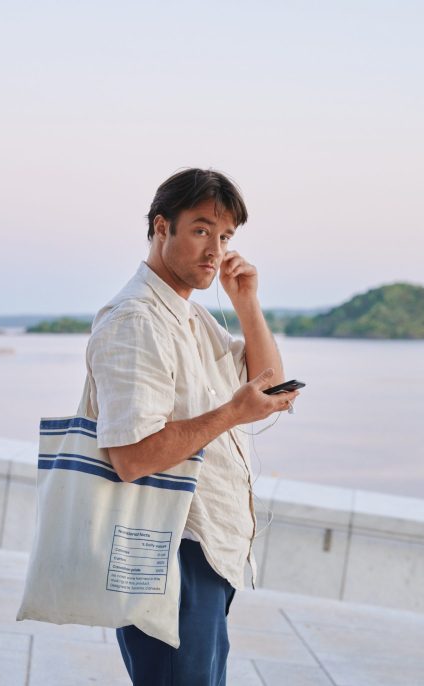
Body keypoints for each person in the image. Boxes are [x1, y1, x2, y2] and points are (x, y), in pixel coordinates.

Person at [85, 168, 299, 685]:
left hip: (203, 550)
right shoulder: (136, 320)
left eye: (225, 237)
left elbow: (269, 384)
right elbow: (131, 457)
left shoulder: (190, 316)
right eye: (202, 230)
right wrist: (231, 414)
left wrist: (245, 301)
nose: (215, 250)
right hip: (167, 548)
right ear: (162, 227)